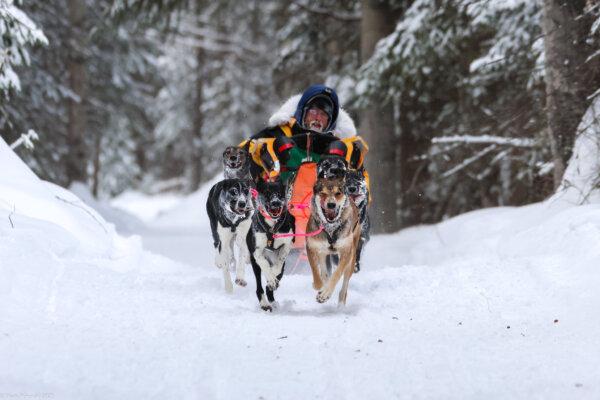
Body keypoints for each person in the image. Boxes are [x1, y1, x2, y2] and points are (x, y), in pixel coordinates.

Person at [241, 84, 368, 183]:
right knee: (279, 144)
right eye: (313, 111)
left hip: (325, 208)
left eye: (324, 114)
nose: (318, 118)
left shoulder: (343, 146)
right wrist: (268, 150)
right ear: (303, 112)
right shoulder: (279, 132)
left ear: (331, 122)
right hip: (278, 205)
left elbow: (362, 185)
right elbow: (243, 154)